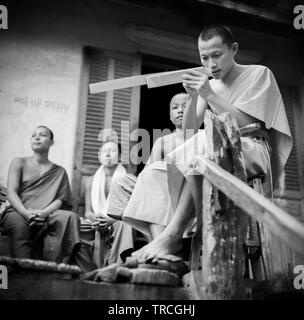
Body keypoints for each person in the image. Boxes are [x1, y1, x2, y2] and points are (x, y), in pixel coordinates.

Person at [130, 24, 293, 262]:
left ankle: (173, 235)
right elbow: (187, 132)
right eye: (204, 58)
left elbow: (248, 123)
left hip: (251, 149)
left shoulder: (259, 73)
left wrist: (208, 94)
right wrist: (194, 95)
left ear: (233, 49)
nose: (211, 64)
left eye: (217, 55)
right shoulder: (211, 85)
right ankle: (162, 250)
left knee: (203, 143)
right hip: (215, 148)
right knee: (153, 172)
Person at [107, 93, 188, 243]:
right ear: (170, 115)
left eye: (186, 105)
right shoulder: (163, 141)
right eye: (175, 107)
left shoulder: (202, 136)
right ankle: (157, 242)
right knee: (122, 182)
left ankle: (159, 245)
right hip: (159, 190)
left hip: (185, 192)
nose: (180, 110)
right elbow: (148, 172)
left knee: (152, 188)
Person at [0, 126, 80, 263]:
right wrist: (26, 213)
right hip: (18, 210)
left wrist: (43, 213)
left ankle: (57, 267)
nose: (37, 137)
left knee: (71, 217)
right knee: (20, 227)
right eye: (34, 135)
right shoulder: (19, 163)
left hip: (47, 213)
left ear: (51, 142)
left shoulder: (59, 171)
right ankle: (25, 271)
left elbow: (61, 200)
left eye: (42, 135)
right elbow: (12, 193)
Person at [75, 140, 134, 272]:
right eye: (104, 151)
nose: (108, 154)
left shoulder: (127, 179)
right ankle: (85, 269)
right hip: (95, 221)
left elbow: (130, 212)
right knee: (75, 224)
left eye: (112, 151)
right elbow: (88, 212)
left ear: (119, 157)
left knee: (126, 225)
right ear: (99, 155)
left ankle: (116, 266)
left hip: (117, 221)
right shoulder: (89, 181)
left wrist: (111, 220)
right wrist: (96, 218)